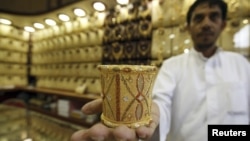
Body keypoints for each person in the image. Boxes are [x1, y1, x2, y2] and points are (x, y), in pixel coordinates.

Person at [71, 0, 250, 141]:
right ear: (187, 26)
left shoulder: (242, 65)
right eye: (199, 18)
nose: (206, 24)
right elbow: (160, 104)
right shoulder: (172, 65)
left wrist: (228, 134)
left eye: (214, 17)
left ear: (223, 24)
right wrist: (146, 116)